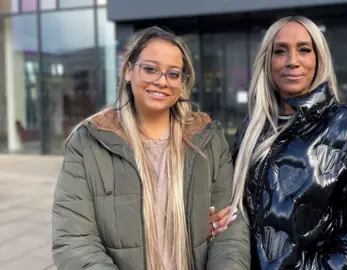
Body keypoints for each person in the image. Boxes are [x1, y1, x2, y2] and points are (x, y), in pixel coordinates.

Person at [52, 26, 250, 270]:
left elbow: (230, 230)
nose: (161, 81)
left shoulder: (208, 141)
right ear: (128, 71)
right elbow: (74, 241)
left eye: (173, 74)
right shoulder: (88, 142)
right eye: (150, 69)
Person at [230, 16, 347, 270]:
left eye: (304, 50)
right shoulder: (252, 130)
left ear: (318, 58)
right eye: (280, 51)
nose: (292, 61)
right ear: (268, 61)